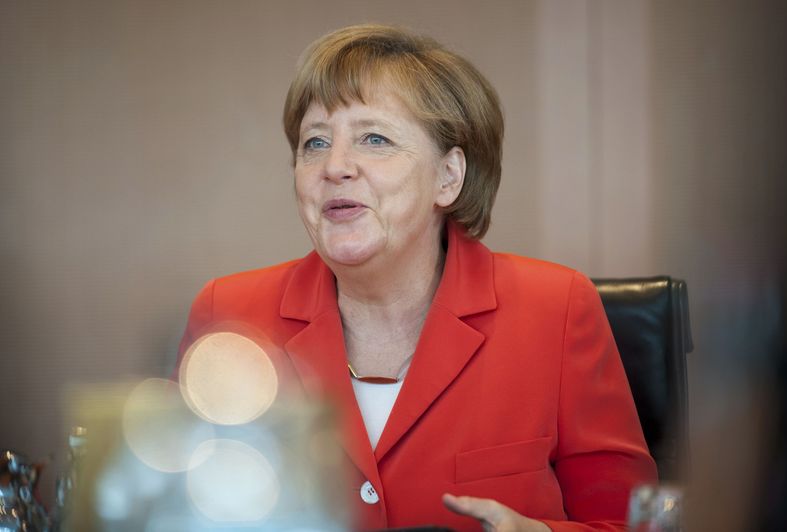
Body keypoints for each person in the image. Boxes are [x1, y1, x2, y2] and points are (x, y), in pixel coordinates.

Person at [176, 24, 657, 531]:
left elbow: (635, 524)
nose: (335, 166)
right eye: (314, 143)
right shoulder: (228, 315)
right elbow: (170, 514)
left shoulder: (555, 309)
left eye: (374, 138)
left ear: (449, 177)